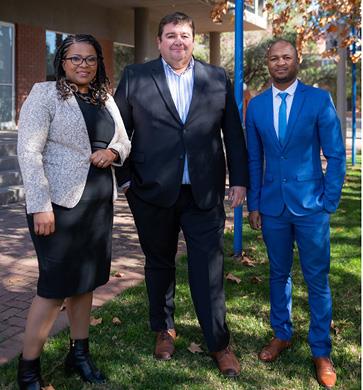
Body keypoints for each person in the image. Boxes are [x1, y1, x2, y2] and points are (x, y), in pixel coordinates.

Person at [114, 12, 248, 377]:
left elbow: (233, 133)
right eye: (170, 35)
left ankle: (219, 343)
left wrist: (240, 180)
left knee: (209, 268)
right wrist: (124, 181)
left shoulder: (216, 78)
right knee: (159, 263)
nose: (178, 41)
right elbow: (116, 132)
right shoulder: (135, 77)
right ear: (159, 42)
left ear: (194, 40)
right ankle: (164, 329)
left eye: (185, 35)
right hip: (151, 192)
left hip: (203, 192)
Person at [17, 34, 131, 389]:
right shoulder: (44, 94)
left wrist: (113, 154)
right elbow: (29, 152)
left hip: (97, 207)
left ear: (98, 63)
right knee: (54, 289)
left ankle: (78, 355)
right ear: (62, 62)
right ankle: (28, 369)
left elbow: (124, 140)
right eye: (75, 58)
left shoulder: (105, 99)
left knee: (85, 284)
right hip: (57, 208)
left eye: (90, 59)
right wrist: (40, 206)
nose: (83, 65)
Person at [246, 39, 345, 389]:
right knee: (278, 273)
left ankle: (321, 350)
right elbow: (254, 159)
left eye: (286, 57)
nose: (280, 62)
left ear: (297, 60)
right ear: (268, 64)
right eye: (274, 58)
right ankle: (282, 334)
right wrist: (254, 204)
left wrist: (329, 201)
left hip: (311, 206)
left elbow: (335, 154)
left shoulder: (319, 100)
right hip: (273, 206)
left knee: (316, 279)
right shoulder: (255, 107)